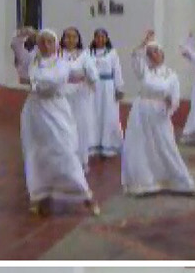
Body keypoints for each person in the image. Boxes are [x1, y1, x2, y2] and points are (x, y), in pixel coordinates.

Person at [18, 30, 99, 216]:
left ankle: (85, 194)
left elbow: (54, 81)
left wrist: (32, 81)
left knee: (65, 150)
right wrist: (23, 36)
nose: (46, 45)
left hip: (55, 110)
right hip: (34, 111)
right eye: (42, 42)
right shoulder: (33, 60)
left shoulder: (62, 62)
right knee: (36, 152)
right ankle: (39, 194)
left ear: (56, 44)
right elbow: (19, 63)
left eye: (50, 41)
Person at [122, 31, 195, 197]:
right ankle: (143, 183)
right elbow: (135, 58)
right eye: (150, 52)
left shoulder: (170, 75)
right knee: (140, 146)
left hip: (159, 114)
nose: (153, 55)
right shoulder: (144, 71)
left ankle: (179, 181)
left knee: (165, 145)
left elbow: (175, 97)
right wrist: (143, 44)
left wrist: (170, 105)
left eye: (156, 51)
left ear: (162, 54)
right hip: (141, 112)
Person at [60, 28, 98, 172]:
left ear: (78, 39)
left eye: (74, 37)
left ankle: (81, 160)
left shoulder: (85, 55)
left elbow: (92, 73)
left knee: (81, 126)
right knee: (63, 126)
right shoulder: (58, 54)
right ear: (63, 39)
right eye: (67, 37)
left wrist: (90, 80)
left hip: (80, 95)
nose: (70, 40)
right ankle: (65, 160)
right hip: (62, 95)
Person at [89, 30, 124, 159]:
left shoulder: (112, 54)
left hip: (108, 87)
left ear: (106, 39)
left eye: (102, 37)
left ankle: (108, 144)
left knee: (108, 114)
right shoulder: (88, 53)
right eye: (97, 37)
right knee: (93, 114)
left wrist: (119, 88)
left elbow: (117, 70)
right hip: (93, 88)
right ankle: (93, 144)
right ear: (94, 38)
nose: (100, 39)